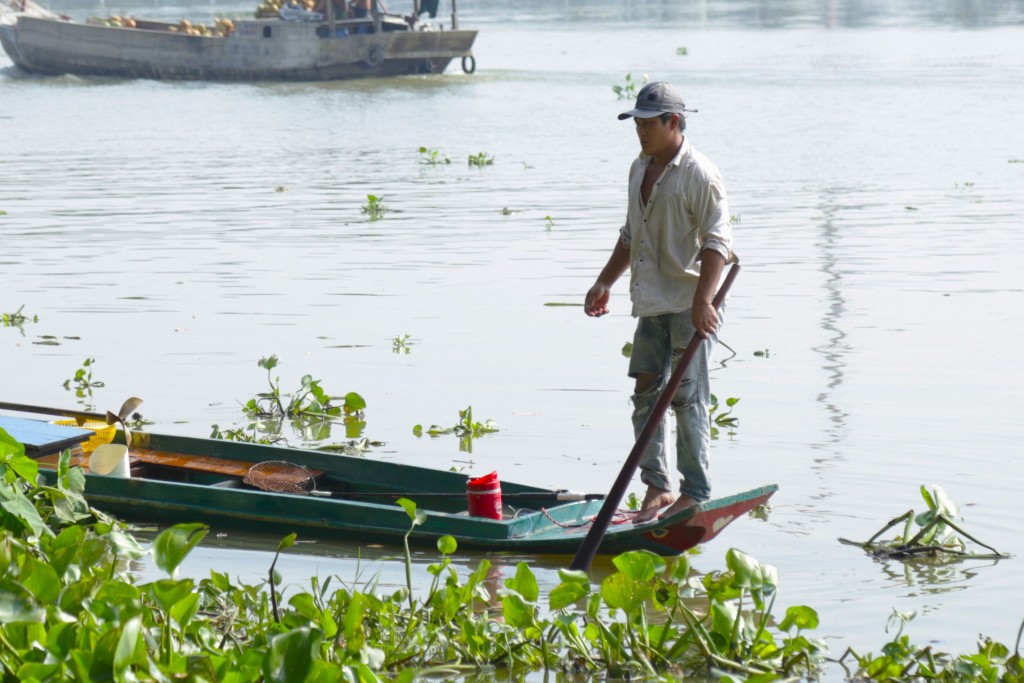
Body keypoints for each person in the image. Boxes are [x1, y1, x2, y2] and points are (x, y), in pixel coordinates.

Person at [584, 81, 734, 524]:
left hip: (690, 305)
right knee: (645, 394)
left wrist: (704, 301)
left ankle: (696, 491)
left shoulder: (700, 173)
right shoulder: (639, 168)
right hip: (651, 302)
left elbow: (718, 243)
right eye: (637, 124)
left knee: (687, 398)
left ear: (674, 122)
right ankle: (657, 486)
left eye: (649, 124)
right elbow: (632, 235)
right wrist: (604, 281)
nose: (641, 132)